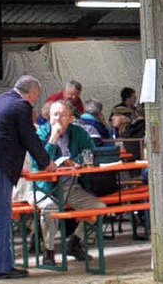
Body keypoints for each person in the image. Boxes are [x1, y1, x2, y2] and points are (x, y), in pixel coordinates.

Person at [0, 75, 57, 280]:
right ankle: (0, 267)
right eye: (36, 97)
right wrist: (46, 163)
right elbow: (29, 138)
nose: (34, 102)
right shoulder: (21, 106)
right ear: (32, 93)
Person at [34, 100, 106, 266]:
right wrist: (53, 138)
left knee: (99, 209)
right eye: (54, 115)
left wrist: (75, 161)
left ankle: (74, 242)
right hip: (46, 188)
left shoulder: (79, 133)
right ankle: (49, 251)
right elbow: (40, 162)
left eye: (62, 115)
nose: (57, 119)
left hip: (72, 185)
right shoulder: (40, 134)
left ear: (71, 118)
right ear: (48, 117)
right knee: (49, 209)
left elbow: (90, 152)